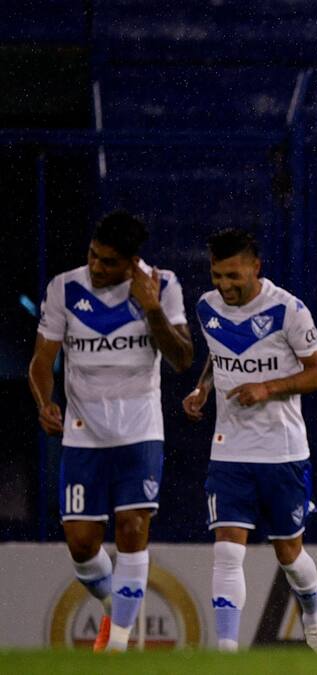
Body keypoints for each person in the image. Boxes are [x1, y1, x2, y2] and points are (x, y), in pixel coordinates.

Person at [29, 210, 193, 651]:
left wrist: (152, 307)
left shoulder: (163, 285)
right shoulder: (64, 288)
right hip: (84, 433)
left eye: (109, 262)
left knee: (132, 527)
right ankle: (112, 605)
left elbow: (182, 358)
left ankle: (119, 643)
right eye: (93, 256)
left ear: (131, 262)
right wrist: (45, 403)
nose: (97, 267)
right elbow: (42, 360)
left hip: (140, 431)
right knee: (81, 544)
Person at [183, 228, 317, 653]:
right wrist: (203, 388)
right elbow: (219, 352)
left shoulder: (288, 310)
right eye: (217, 276)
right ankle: (227, 654)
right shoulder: (206, 307)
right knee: (227, 551)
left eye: (233, 276)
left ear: (256, 268)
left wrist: (267, 388)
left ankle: (312, 612)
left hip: (282, 451)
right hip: (229, 449)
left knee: (290, 555)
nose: (224, 285)